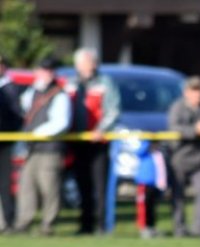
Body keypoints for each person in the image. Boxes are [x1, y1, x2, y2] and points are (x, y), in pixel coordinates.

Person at [14, 56, 71, 236]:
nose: (46, 73)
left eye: (50, 70)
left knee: (49, 188)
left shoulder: (60, 94)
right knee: (26, 186)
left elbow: (61, 122)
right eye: (43, 69)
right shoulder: (31, 93)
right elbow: (23, 114)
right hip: (31, 149)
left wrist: (36, 134)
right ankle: (23, 222)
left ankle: (48, 224)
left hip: (50, 149)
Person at [70, 47, 120, 235]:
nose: (88, 66)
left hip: (99, 143)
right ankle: (85, 224)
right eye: (84, 63)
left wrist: (101, 130)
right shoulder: (72, 83)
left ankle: (101, 225)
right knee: (82, 185)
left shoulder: (105, 82)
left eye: (91, 62)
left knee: (100, 185)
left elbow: (113, 110)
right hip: (77, 141)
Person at [167, 76, 200, 237]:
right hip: (180, 158)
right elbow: (173, 128)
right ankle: (179, 229)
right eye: (195, 91)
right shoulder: (177, 107)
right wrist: (194, 131)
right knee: (178, 196)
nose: (199, 95)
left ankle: (198, 229)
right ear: (187, 92)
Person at [0, 53, 23, 233]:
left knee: (5, 184)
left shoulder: (10, 89)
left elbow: (16, 117)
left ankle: (8, 221)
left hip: (5, 143)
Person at [133, 139, 167, 239]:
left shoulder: (158, 152)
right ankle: (144, 228)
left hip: (155, 183)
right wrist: (148, 142)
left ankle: (152, 227)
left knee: (152, 207)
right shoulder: (145, 149)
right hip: (144, 182)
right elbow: (138, 153)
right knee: (144, 206)